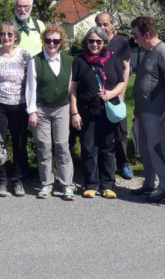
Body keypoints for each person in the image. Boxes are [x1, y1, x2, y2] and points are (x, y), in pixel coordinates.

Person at [70, 27, 126, 199]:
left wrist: (110, 94)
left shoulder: (113, 59)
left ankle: (108, 185)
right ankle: (91, 185)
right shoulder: (79, 60)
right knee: (88, 147)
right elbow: (73, 89)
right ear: (86, 42)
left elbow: (122, 82)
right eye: (91, 41)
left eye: (98, 41)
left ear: (104, 42)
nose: (94, 44)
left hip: (107, 109)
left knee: (107, 147)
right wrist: (74, 113)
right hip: (86, 110)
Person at [129, 17, 165, 203]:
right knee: (145, 149)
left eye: (136, 35)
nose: (135, 39)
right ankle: (149, 183)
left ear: (147, 34)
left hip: (157, 112)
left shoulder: (163, 51)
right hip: (143, 110)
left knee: (155, 148)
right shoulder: (147, 51)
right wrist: (137, 106)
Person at [26, 25, 75, 201]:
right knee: (44, 147)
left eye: (56, 40)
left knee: (62, 146)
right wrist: (32, 111)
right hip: (41, 109)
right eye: (48, 40)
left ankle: (67, 185)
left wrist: (73, 110)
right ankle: (46, 184)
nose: (52, 43)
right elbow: (30, 88)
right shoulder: (36, 61)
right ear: (43, 41)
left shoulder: (69, 61)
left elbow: (71, 89)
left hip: (62, 108)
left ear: (61, 42)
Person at [0, 21, 31, 197]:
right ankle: (1, 181)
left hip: (20, 105)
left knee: (20, 144)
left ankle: (18, 180)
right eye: (3, 34)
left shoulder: (25, 55)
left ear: (16, 37)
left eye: (10, 34)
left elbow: (31, 82)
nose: (6, 37)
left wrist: (32, 106)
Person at [95, 12, 134, 180]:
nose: (102, 27)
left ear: (112, 25)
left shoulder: (121, 42)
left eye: (105, 24)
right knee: (100, 132)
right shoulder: (93, 39)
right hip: (99, 93)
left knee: (120, 131)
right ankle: (100, 165)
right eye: (99, 24)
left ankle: (123, 163)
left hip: (117, 91)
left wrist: (123, 89)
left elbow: (126, 67)